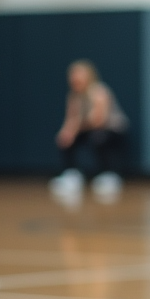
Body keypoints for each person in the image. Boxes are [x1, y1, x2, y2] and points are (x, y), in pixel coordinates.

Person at [50, 60, 130, 200]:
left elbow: (98, 120)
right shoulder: (74, 96)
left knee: (98, 137)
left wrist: (75, 127)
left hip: (111, 130)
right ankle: (71, 175)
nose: (75, 78)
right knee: (66, 138)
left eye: (79, 74)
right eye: (73, 75)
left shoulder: (99, 92)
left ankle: (108, 175)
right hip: (87, 129)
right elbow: (71, 120)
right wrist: (66, 132)